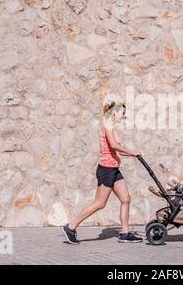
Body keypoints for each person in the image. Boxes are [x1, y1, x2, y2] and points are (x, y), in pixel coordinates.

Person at [61, 101, 143, 244]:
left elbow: (117, 148)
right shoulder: (107, 124)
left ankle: (125, 233)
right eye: (123, 113)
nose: (123, 116)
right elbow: (113, 145)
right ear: (114, 112)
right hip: (106, 169)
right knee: (99, 203)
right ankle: (71, 227)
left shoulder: (111, 125)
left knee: (125, 198)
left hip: (114, 169)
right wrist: (132, 152)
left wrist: (133, 154)